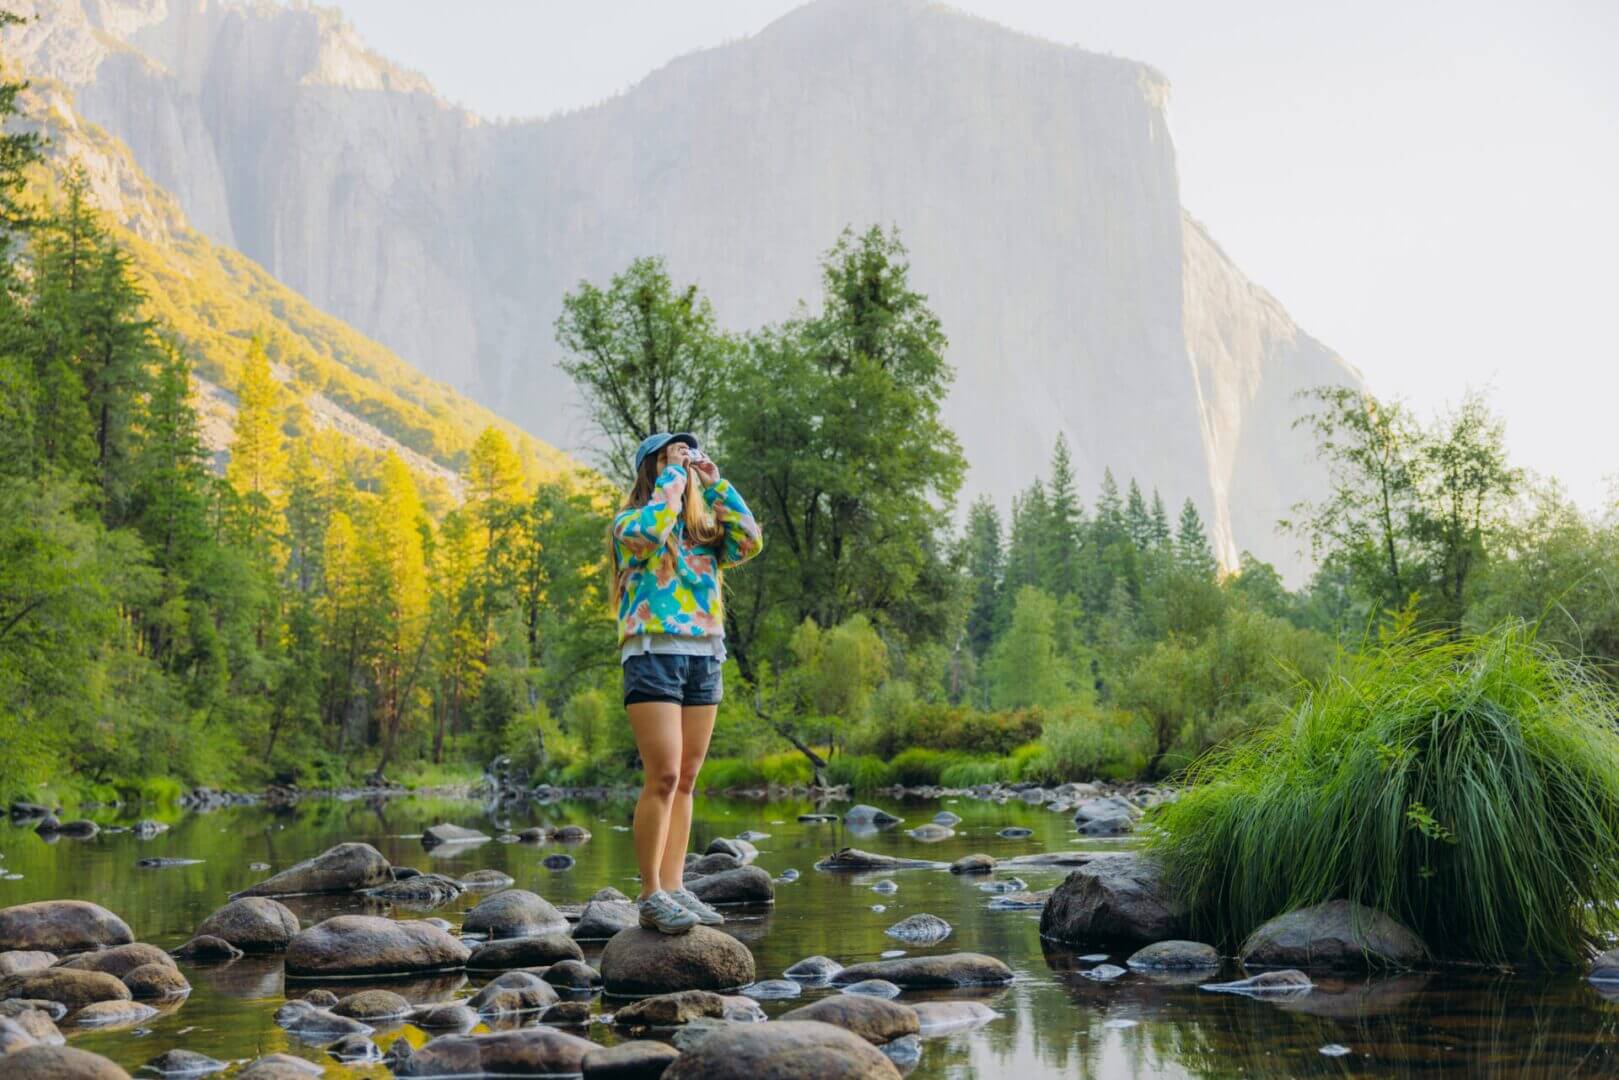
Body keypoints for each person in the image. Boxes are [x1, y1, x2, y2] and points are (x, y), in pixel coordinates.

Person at [608, 431, 764, 933]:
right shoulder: (631, 524)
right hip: (653, 652)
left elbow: (750, 539)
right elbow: (653, 529)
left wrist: (716, 485)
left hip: (704, 657)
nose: (682, 461)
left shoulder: (704, 532)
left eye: (686, 454)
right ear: (650, 468)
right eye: (670, 455)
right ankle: (651, 892)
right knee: (665, 775)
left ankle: (675, 886)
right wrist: (672, 480)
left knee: (689, 778)